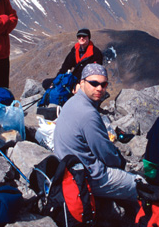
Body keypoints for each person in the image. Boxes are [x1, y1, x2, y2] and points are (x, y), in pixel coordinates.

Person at [53, 64, 142, 204]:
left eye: (103, 84)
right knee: (140, 184)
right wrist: (120, 162)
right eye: (94, 83)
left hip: (69, 168)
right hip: (87, 176)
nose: (99, 88)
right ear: (82, 83)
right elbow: (105, 152)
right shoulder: (88, 114)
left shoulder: (73, 102)